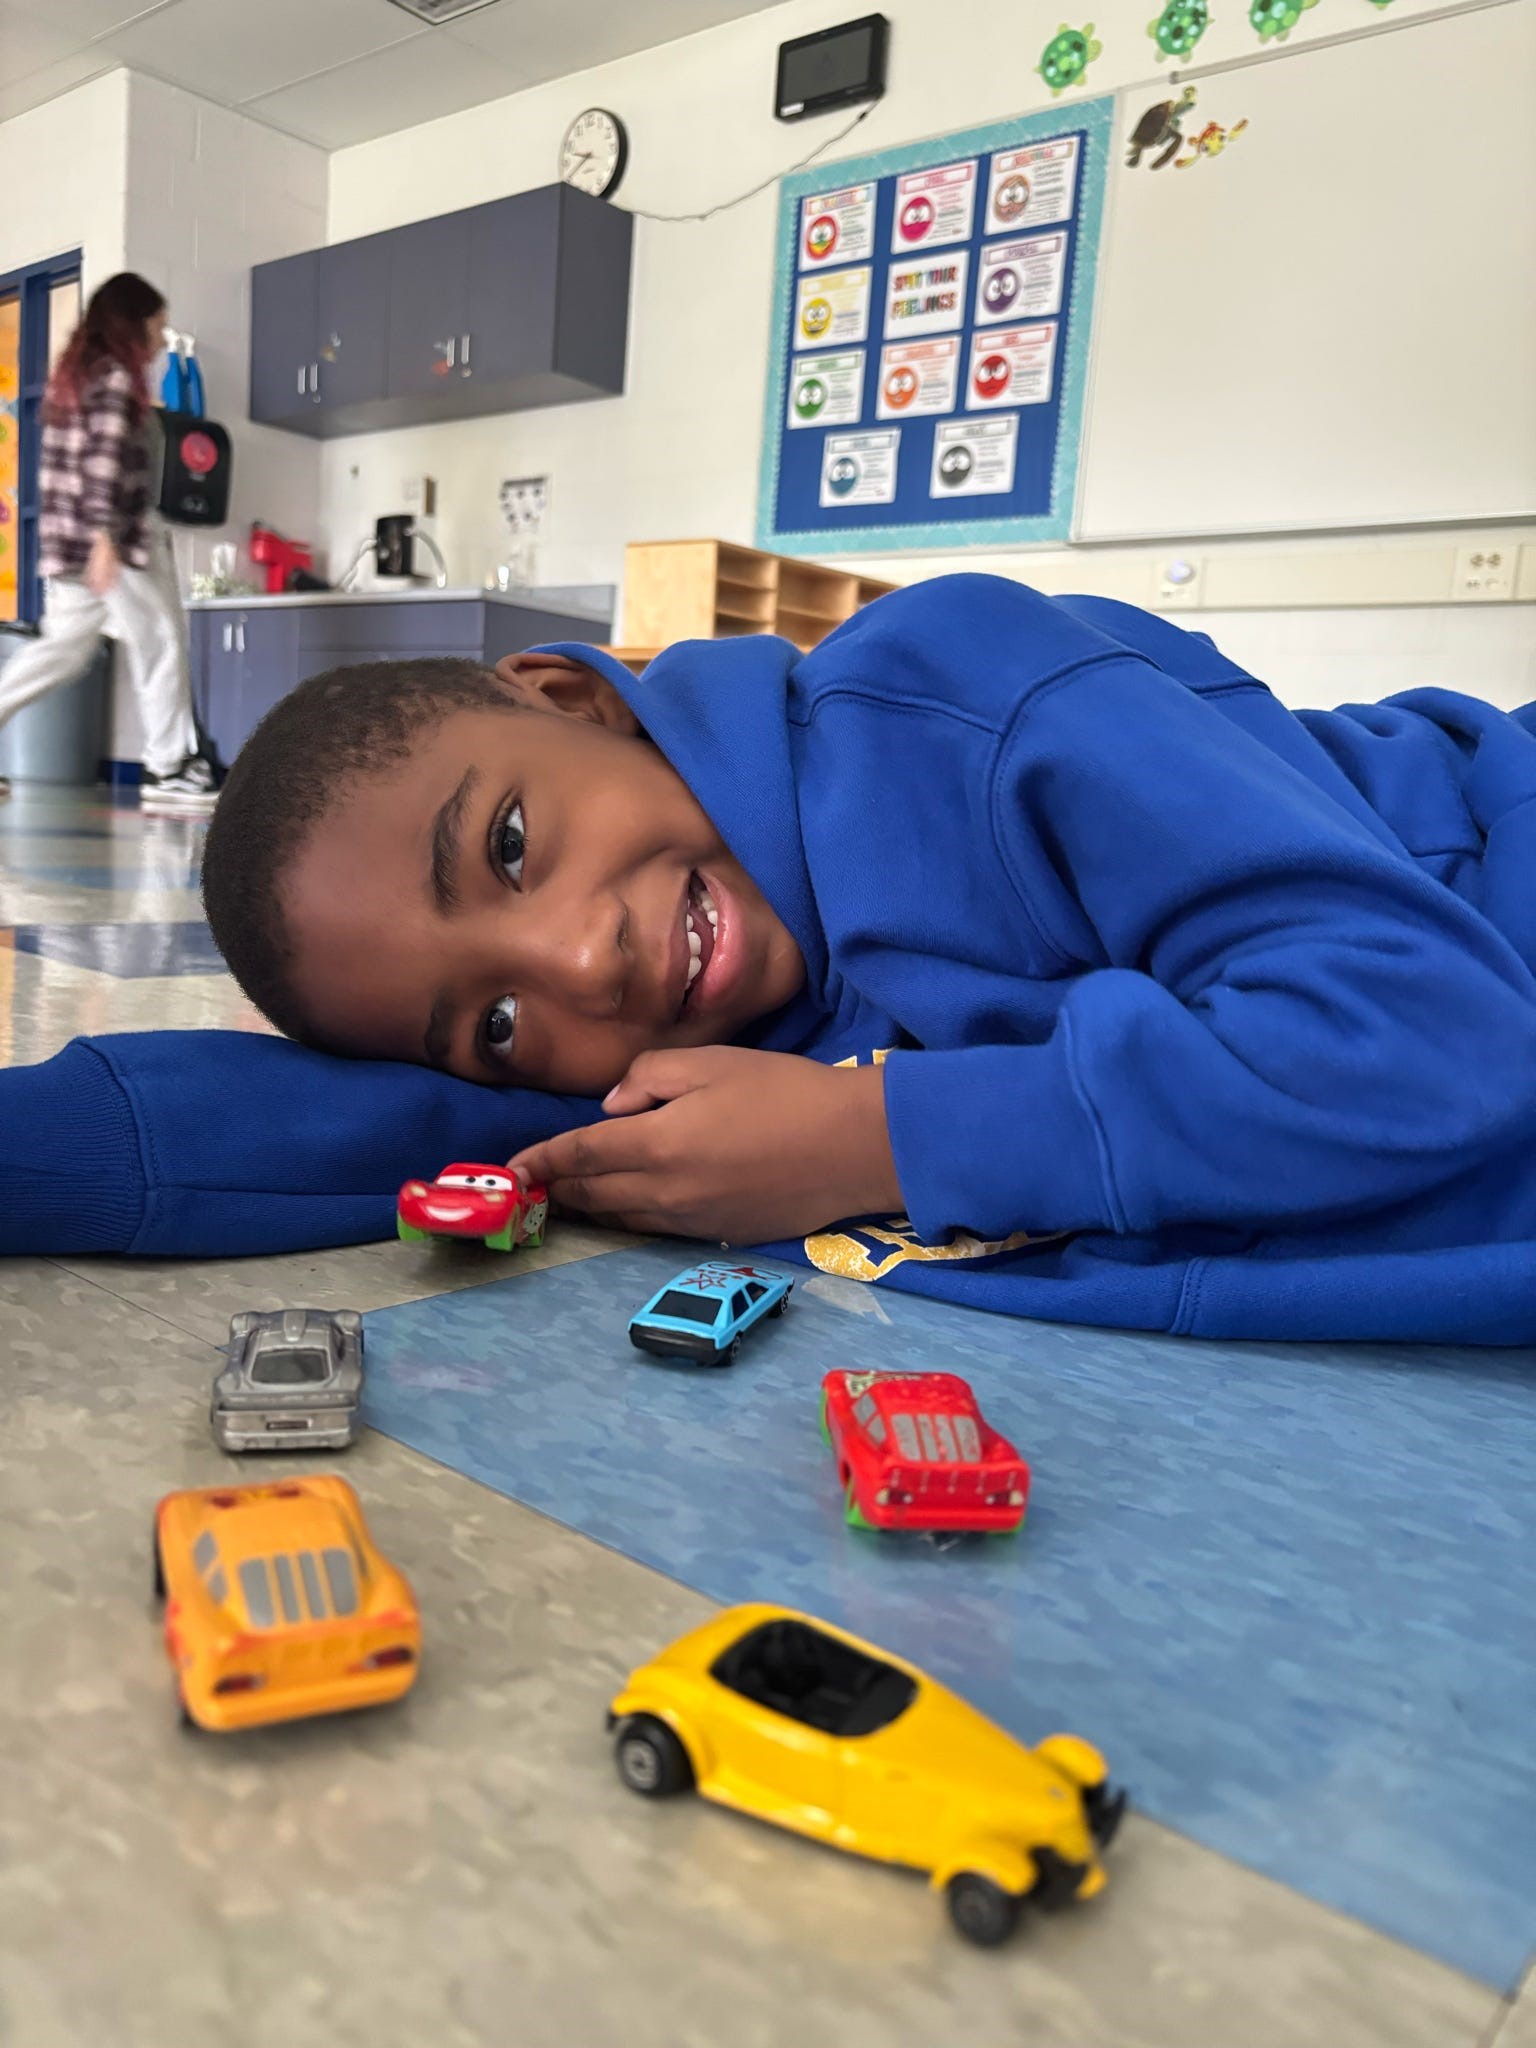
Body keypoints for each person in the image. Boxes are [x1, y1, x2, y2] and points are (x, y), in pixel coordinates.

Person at [166, 572, 1536, 1347]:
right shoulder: (698, 1067)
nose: (581, 960)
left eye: (514, 842)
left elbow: (1424, 1033)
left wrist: (886, 1134)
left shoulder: (953, 694)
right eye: (497, 1025)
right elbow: (339, 1130)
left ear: (577, 700)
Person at [0, 272, 217, 811]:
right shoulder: (117, 378)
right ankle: (169, 768)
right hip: (116, 543)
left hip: (72, 542)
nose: (162, 338)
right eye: (157, 325)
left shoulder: (76, 378)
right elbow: (104, 463)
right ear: (132, 323)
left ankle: (170, 764)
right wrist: (106, 540)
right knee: (162, 643)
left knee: (61, 652)